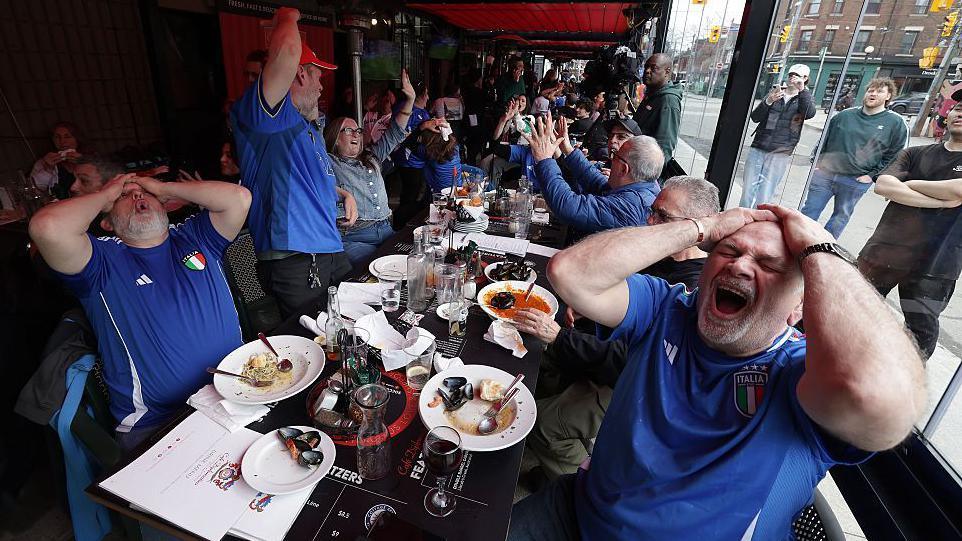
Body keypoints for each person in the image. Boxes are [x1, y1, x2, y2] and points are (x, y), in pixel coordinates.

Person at [508, 202, 924, 540]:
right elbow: (570, 273)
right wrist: (703, 226)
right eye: (730, 251)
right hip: (578, 511)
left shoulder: (799, 373)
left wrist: (820, 251)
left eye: (770, 265)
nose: (740, 267)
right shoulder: (669, 309)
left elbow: (883, 402)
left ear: (799, 308)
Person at [515, 176, 720, 482]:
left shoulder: (695, 290)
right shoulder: (660, 256)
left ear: (696, 227)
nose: (649, 220)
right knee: (533, 360)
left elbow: (625, 361)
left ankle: (570, 485)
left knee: (545, 424)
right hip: (597, 353)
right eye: (652, 211)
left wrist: (561, 338)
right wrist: (591, 306)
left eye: (662, 216)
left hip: (629, 385)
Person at [28, 173, 252, 448]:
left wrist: (164, 187)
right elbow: (47, 227)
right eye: (124, 196)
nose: (137, 196)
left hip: (237, 393)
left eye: (146, 193)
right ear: (107, 222)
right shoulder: (99, 263)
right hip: (160, 423)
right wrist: (105, 195)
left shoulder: (195, 236)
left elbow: (239, 198)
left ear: (165, 206)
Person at [230, 7, 357, 318]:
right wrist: (288, 16)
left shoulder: (303, 126)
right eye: (317, 75)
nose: (322, 85)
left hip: (328, 248)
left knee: (354, 322)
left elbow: (309, 180)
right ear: (301, 73)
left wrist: (344, 193)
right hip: (296, 258)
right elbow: (288, 50)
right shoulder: (267, 119)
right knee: (317, 341)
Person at [857, 102, 962, 360]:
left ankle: (903, 387)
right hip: (884, 253)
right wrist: (941, 201)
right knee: (852, 311)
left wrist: (911, 184)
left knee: (919, 332)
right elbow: (883, 185)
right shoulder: (915, 153)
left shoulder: (912, 161)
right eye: (958, 108)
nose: (961, 113)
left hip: (936, 264)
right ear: (946, 115)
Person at [326, 69, 417, 264]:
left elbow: (395, 133)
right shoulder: (328, 161)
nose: (356, 134)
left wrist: (410, 100)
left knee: (415, 259)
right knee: (385, 268)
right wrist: (343, 194)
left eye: (358, 130)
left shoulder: (372, 156)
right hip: (354, 237)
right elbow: (315, 184)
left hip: (385, 230)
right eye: (348, 130)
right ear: (334, 137)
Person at [800, 78, 907, 238]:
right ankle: (797, 243)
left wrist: (872, 176)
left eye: (879, 91)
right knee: (808, 214)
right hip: (825, 175)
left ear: (888, 96)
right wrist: (817, 163)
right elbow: (823, 140)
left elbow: (895, 155)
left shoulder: (896, 123)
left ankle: (824, 250)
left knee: (840, 217)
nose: (873, 93)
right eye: (870, 90)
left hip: (855, 181)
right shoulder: (844, 116)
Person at [529, 114, 663, 235]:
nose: (612, 142)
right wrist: (568, 150)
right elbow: (599, 184)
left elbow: (569, 206)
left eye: (616, 157)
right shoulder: (644, 186)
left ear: (623, 169)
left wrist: (545, 160)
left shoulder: (631, 206)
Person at [740, 64, 816, 208]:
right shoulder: (776, 92)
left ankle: (757, 221)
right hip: (759, 147)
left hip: (780, 152)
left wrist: (802, 90)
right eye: (791, 74)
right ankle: (742, 217)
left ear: (805, 79)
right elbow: (755, 117)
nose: (792, 77)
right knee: (748, 189)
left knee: (765, 193)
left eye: (797, 75)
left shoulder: (804, 97)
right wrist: (769, 101)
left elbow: (809, 113)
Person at [632, 53, 683, 171]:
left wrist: (648, 175)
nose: (647, 71)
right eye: (646, 67)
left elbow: (665, 144)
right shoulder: (652, 95)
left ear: (667, 71)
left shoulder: (668, 100)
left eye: (654, 68)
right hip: (636, 161)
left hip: (643, 171)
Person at [30, 122, 86, 200]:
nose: (62, 141)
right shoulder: (43, 162)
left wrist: (84, 163)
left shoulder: (89, 158)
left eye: (67, 137)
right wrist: (47, 169)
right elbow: (35, 191)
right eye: (57, 137)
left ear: (77, 139)